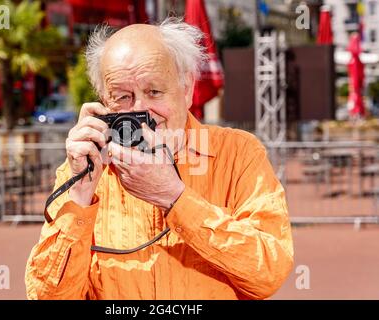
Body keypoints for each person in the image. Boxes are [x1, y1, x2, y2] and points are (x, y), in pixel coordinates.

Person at [25, 18, 294, 300]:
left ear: (187, 88)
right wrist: (80, 196)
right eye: (123, 97)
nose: (141, 110)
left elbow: (268, 273)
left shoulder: (238, 153)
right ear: (103, 102)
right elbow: (47, 296)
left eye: (154, 92)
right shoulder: (84, 170)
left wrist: (175, 197)